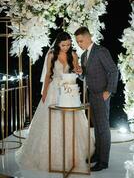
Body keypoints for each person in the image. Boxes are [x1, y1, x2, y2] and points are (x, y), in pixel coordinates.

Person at [15, 32, 95, 172]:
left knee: (71, 119)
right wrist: (44, 92)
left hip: (68, 90)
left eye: (69, 45)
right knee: (50, 120)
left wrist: (78, 69)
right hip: (53, 91)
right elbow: (47, 75)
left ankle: (74, 155)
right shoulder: (51, 55)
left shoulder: (74, 55)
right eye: (63, 45)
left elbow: (77, 71)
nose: (66, 47)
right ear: (58, 44)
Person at [74, 27, 118, 171]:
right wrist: (80, 73)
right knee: (97, 128)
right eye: (77, 42)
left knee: (103, 129)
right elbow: (85, 76)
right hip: (92, 95)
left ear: (88, 38)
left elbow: (113, 70)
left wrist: (109, 91)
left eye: (81, 41)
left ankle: (103, 162)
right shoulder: (83, 56)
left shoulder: (101, 51)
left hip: (102, 95)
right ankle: (98, 155)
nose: (79, 44)